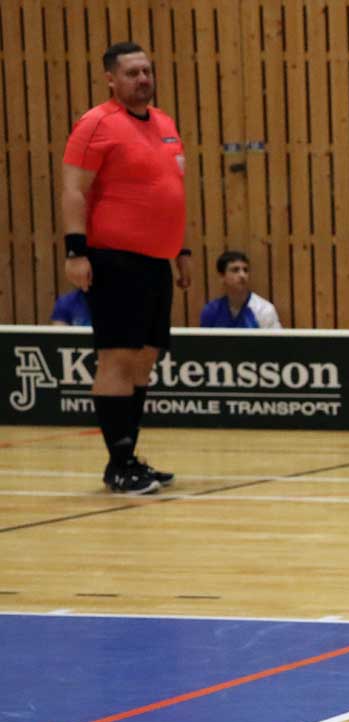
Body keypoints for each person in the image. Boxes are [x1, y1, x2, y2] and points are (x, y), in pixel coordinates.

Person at [61, 41, 190, 495]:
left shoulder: (165, 124)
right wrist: (75, 252)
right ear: (111, 79)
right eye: (132, 73)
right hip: (114, 259)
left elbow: (168, 190)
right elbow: (74, 189)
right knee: (117, 357)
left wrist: (180, 250)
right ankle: (119, 465)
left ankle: (129, 457)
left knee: (145, 358)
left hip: (156, 261)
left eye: (147, 71)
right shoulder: (96, 124)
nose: (143, 79)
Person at [198, 250, 281, 328]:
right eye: (235, 270)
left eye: (245, 270)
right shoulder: (211, 311)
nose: (242, 275)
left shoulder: (264, 310)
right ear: (222, 276)